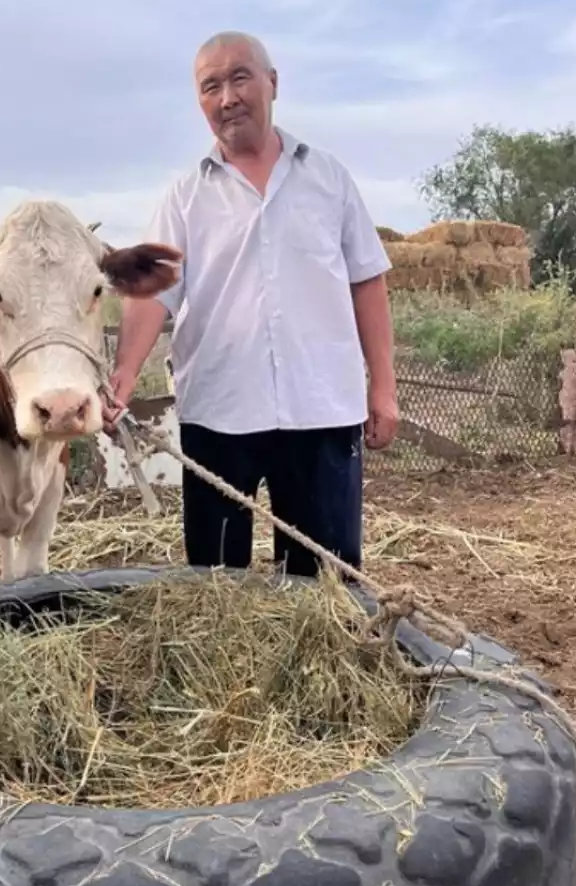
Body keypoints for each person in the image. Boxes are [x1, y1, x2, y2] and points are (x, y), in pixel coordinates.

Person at [105, 30, 399, 578]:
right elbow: (155, 295)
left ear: (273, 83)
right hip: (220, 414)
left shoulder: (329, 178)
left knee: (327, 584)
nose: (227, 97)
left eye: (240, 77)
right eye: (209, 86)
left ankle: (324, 665)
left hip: (322, 410)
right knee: (218, 585)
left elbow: (367, 282)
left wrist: (382, 388)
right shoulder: (184, 195)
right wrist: (122, 375)